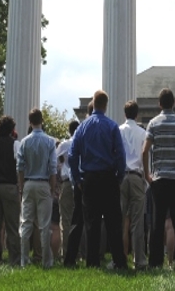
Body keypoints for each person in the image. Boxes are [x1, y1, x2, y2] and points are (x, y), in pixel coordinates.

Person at [68, 90, 127, 269]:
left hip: (90, 178)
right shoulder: (112, 126)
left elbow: (72, 155)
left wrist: (77, 178)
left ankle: (92, 262)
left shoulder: (82, 127)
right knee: (113, 223)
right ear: (106, 105)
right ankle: (119, 260)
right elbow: (120, 155)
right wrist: (119, 175)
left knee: (91, 223)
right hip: (109, 177)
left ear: (93, 102)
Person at [142, 87, 175, 269]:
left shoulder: (153, 124)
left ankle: (155, 261)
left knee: (157, 222)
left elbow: (145, 150)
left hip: (159, 179)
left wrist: (147, 174)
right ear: (174, 103)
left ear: (159, 104)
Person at [17, 108, 57, 268]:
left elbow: (19, 166)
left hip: (28, 183)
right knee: (44, 225)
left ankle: (23, 260)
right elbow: (53, 168)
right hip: (43, 183)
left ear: (30, 122)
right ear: (42, 121)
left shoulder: (24, 141)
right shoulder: (49, 142)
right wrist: (52, 189)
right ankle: (46, 261)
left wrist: (21, 186)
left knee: (26, 223)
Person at [0, 115, 21, 265]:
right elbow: (19, 165)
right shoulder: (15, 144)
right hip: (9, 185)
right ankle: (14, 258)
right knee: (12, 225)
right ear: (11, 129)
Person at [117, 100, 148, 269]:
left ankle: (120, 259)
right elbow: (145, 156)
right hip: (136, 175)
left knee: (121, 220)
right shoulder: (142, 133)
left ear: (124, 114)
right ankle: (139, 260)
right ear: (137, 115)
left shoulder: (118, 131)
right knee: (137, 221)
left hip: (121, 176)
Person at [63, 102, 93, 267]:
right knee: (95, 221)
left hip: (82, 180)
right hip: (97, 177)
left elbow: (72, 155)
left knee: (77, 220)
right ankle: (92, 258)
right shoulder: (105, 126)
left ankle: (70, 258)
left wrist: (76, 178)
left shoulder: (80, 130)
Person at [56, 120, 79, 260]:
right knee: (80, 219)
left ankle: (66, 252)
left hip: (66, 182)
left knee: (65, 219)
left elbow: (54, 161)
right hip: (80, 183)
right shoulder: (83, 143)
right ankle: (80, 252)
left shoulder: (65, 145)